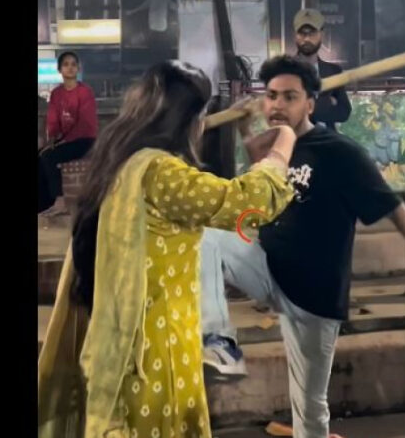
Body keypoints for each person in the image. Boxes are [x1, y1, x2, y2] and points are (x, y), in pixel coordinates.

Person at [38, 60, 299, 438]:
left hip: (132, 342)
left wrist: (248, 132)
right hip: (154, 355)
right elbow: (247, 203)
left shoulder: (122, 162)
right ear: (188, 121)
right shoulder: (160, 173)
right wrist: (284, 142)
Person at [200, 55, 405, 438]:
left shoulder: (341, 152)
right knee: (206, 236)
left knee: (310, 407)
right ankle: (217, 342)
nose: (277, 105)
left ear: (310, 104)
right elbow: (264, 174)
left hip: (313, 297)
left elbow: (396, 211)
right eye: (272, 96)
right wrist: (245, 127)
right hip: (268, 268)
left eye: (290, 97)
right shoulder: (278, 144)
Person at [39, 51, 99, 215]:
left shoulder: (85, 92)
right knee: (41, 154)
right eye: (66, 64)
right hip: (66, 140)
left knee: (49, 157)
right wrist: (53, 138)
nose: (70, 68)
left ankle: (60, 201)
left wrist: (64, 141)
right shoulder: (56, 94)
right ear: (60, 70)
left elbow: (85, 123)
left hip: (85, 140)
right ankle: (43, 203)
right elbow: (53, 120)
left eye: (73, 64)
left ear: (78, 68)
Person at [293, 8, 352, 132]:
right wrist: (326, 103)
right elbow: (287, 113)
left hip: (327, 140)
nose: (307, 39)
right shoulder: (284, 70)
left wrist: (306, 107)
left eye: (312, 33)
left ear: (322, 34)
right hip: (296, 140)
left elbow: (344, 113)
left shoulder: (333, 71)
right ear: (295, 35)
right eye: (302, 33)